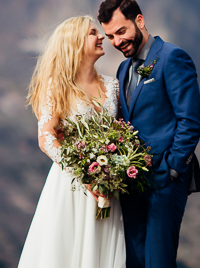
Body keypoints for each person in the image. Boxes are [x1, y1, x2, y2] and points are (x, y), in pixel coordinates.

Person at [99, 0, 200, 268]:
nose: (117, 41)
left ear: (140, 20)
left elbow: (190, 119)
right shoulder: (123, 69)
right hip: (132, 184)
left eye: (121, 31)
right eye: (110, 36)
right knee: (133, 261)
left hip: (165, 180)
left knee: (158, 261)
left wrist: (172, 168)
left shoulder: (172, 58)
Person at [18, 16, 126, 268]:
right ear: (75, 43)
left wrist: (113, 170)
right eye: (92, 33)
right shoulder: (57, 86)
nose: (101, 37)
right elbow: (46, 138)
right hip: (72, 185)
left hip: (109, 187)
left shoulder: (113, 87)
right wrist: (84, 174)